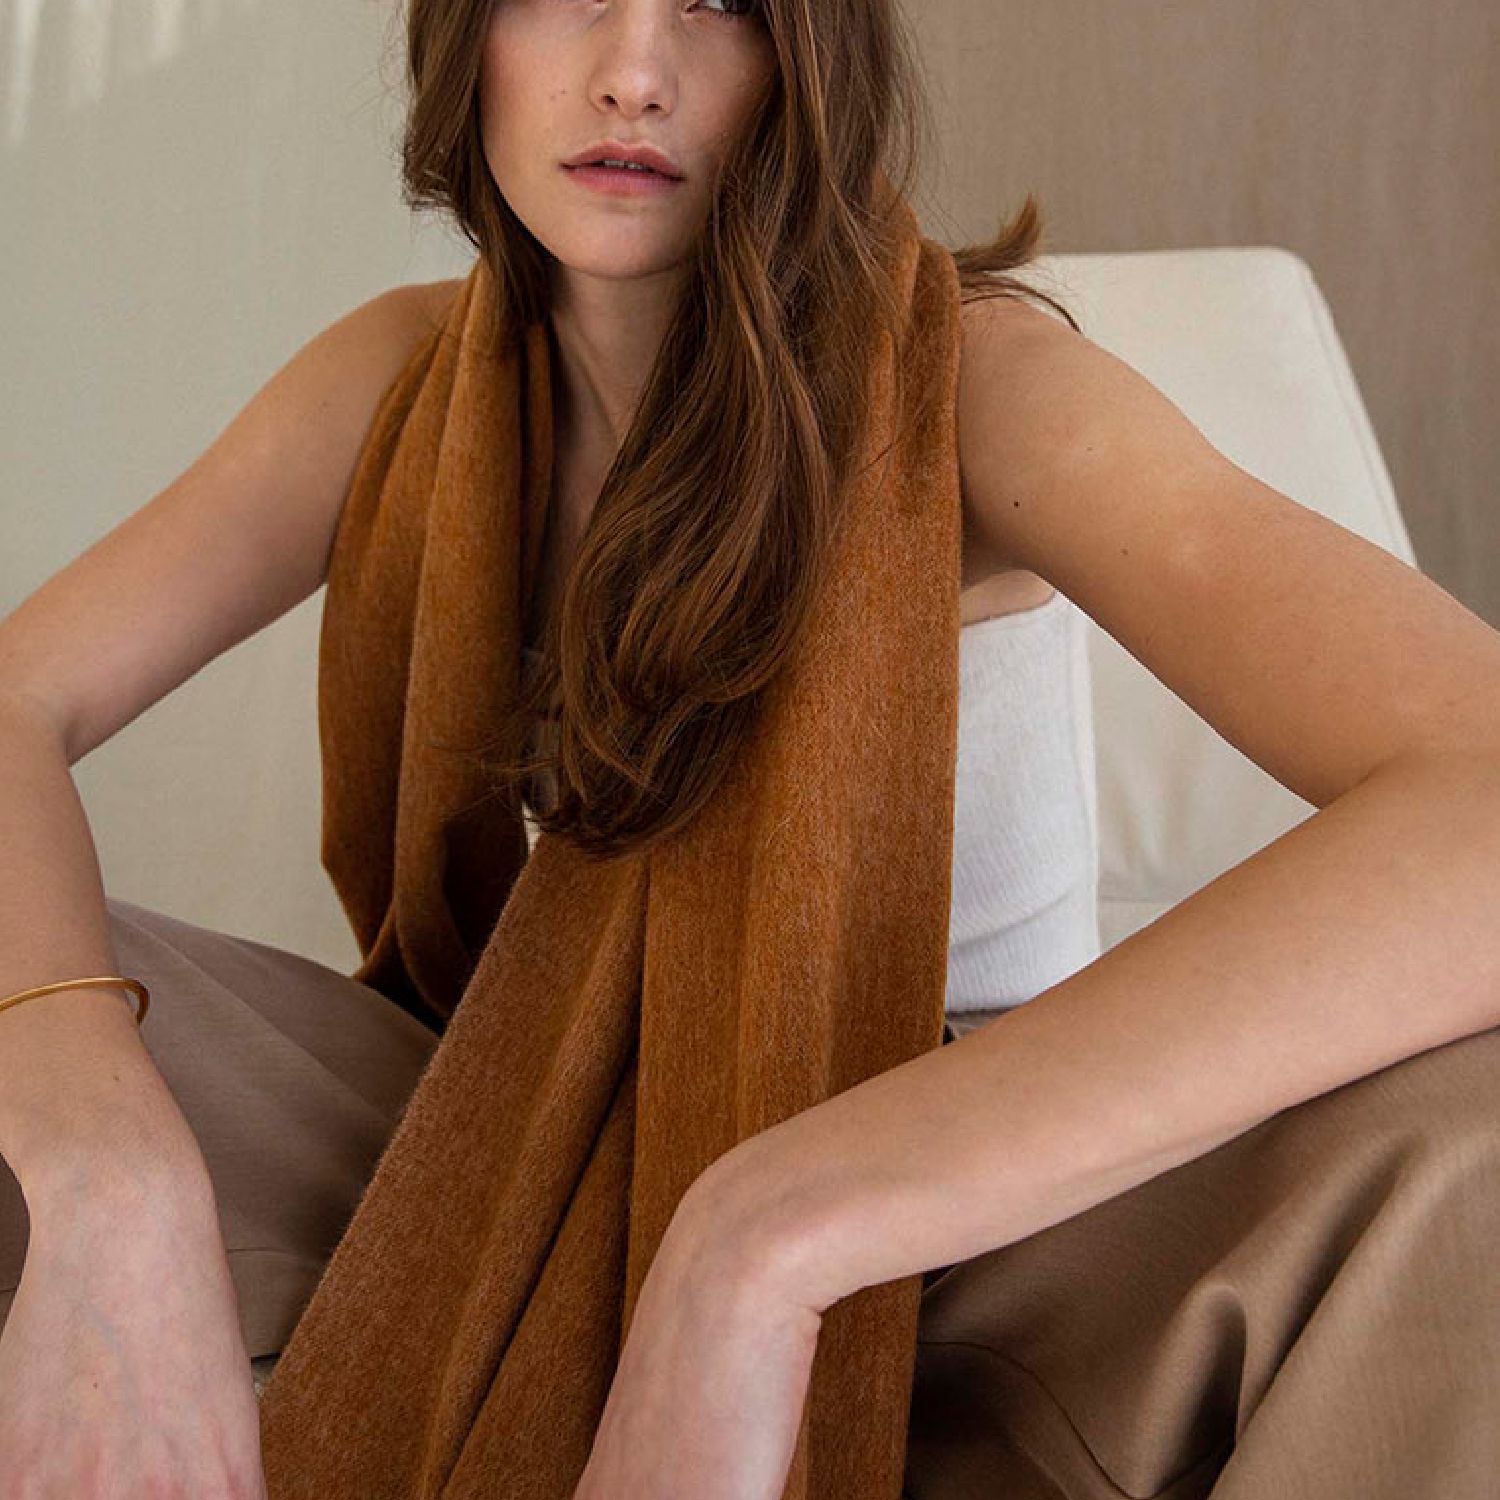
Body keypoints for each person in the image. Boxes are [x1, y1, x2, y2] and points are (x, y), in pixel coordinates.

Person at [4, 1, 1500, 1497]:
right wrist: (103, 1169)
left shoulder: (984, 389)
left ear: (815, 58)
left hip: (964, 1201)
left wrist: (759, 1236)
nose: (631, 74)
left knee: (1470, 1144)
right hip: (510, 1101)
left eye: (721, 3)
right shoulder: (398, 380)